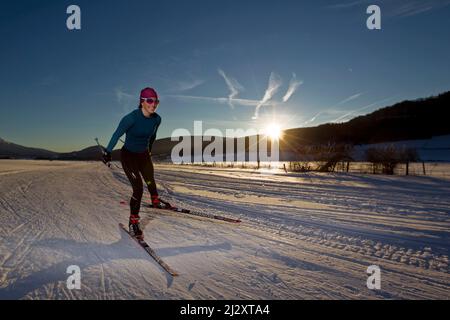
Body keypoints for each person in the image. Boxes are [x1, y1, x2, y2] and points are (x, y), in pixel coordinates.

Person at [102, 87, 162, 239]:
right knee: (138, 187)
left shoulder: (157, 119)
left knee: (150, 178)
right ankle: (133, 222)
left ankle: (155, 199)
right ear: (142, 102)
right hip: (129, 156)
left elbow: (153, 136)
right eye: (149, 100)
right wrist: (107, 151)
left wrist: (149, 149)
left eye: (156, 101)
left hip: (143, 155)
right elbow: (117, 134)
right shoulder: (131, 118)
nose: (153, 104)